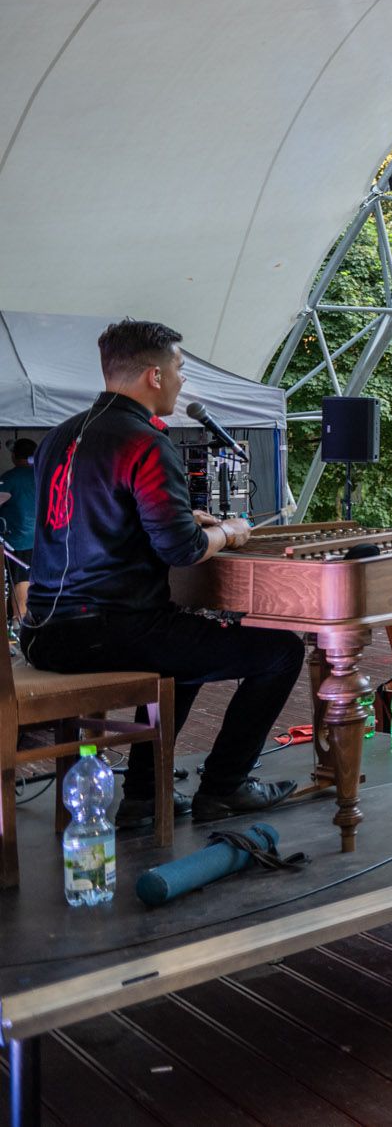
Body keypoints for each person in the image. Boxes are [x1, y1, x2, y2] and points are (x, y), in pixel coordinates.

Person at [17, 319, 303, 828]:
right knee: (282, 652)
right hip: (108, 631)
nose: (181, 380)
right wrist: (230, 531)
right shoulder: (144, 442)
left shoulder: (59, 437)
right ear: (154, 375)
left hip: (42, 632)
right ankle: (226, 787)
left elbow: (96, 516)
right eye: (179, 368)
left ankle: (146, 796)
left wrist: (179, 516)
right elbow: (182, 550)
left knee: (184, 649)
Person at [0, 437, 34, 621]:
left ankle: (17, 622)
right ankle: (22, 622)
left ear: (14, 456)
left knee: (19, 579)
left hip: (16, 539)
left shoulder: (9, 478)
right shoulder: (42, 475)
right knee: (28, 578)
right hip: (41, 538)